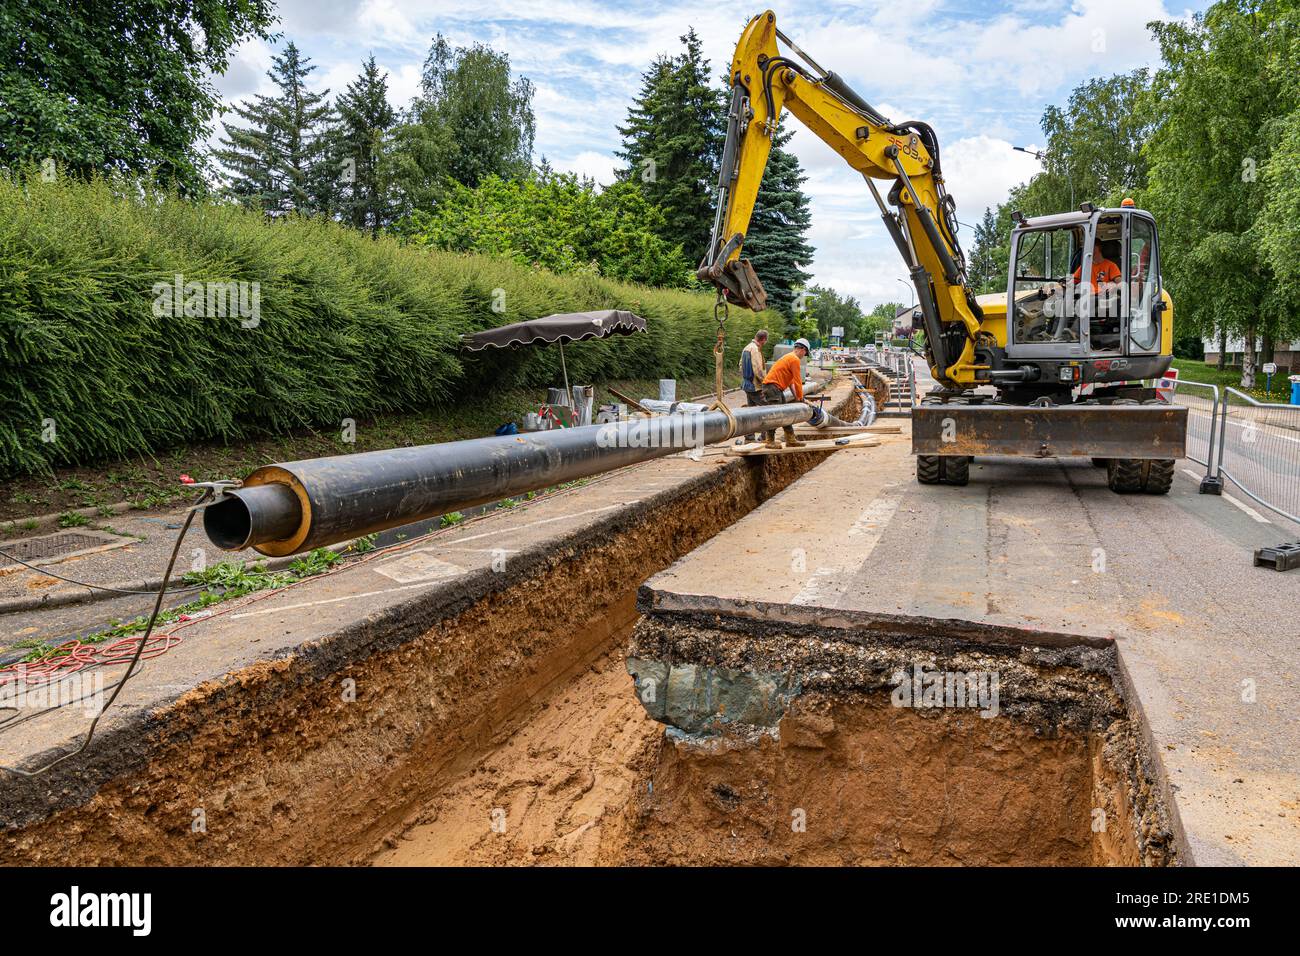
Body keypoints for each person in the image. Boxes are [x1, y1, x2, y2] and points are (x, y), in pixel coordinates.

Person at [758, 338, 811, 449]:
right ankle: (769, 441)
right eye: (805, 353)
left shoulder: (789, 357)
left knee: (785, 414)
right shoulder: (794, 359)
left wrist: (798, 397)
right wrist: (801, 398)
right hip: (772, 387)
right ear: (802, 349)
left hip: (774, 388)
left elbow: (791, 383)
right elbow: (798, 381)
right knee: (775, 415)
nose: (804, 355)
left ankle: (790, 440)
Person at [738, 329, 769, 442]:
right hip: (755, 386)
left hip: (747, 385)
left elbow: (740, 365)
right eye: (766, 341)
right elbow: (758, 370)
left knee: (750, 411)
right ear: (764, 339)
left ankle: (749, 437)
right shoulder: (755, 350)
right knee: (768, 408)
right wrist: (765, 382)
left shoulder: (746, 347)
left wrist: (746, 377)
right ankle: (765, 436)